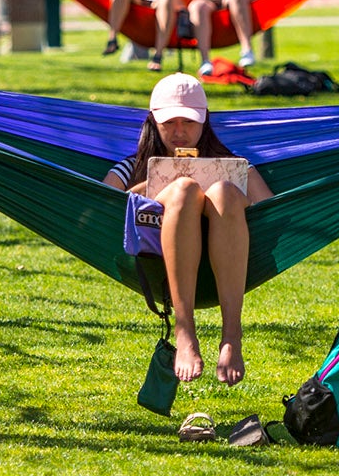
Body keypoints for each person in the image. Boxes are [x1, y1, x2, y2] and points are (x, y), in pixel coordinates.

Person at [103, 74, 273, 385]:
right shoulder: (133, 166)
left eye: (189, 122)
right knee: (182, 189)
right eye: (170, 123)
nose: (180, 132)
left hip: (225, 256)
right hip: (158, 260)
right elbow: (102, 208)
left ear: (205, 121)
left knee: (223, 190)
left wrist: (226, 186)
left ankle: (231, 336)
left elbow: (272, 210)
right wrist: (155, 185)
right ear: (153, 121)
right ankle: (185, 332)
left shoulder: (231, 163)